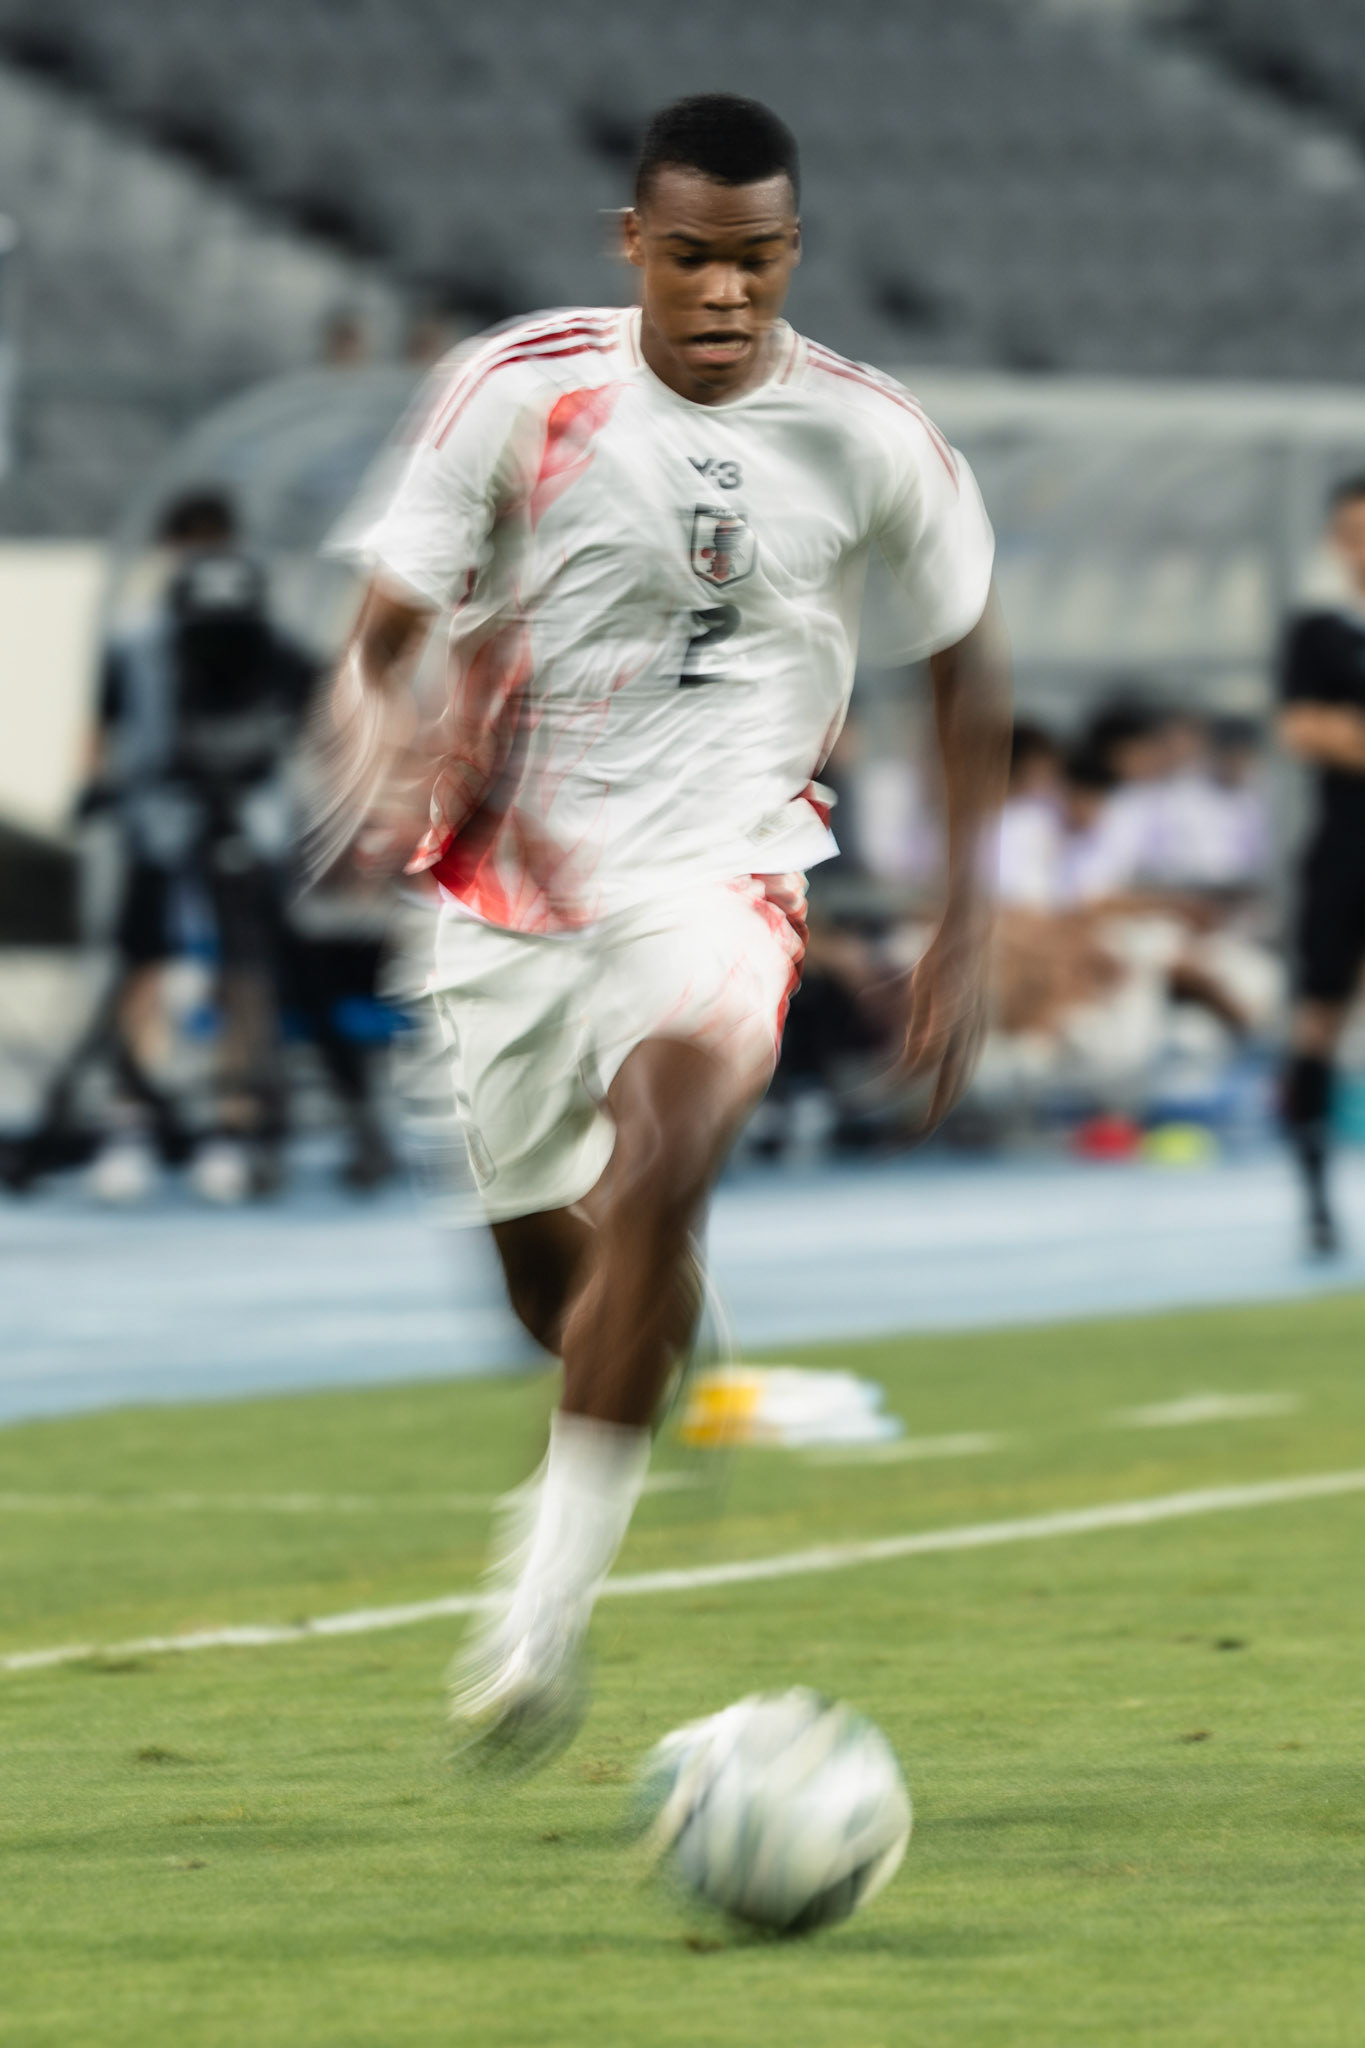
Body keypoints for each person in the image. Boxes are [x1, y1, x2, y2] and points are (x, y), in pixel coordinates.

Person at [323, 93, 1010, 1769]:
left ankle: (529, 1629)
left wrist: (965, 919)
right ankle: (643, 1309)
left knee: (669, 1151)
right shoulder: (519, 389)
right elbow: (386, 628)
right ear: (635, 243)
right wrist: (387, 730)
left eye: (757, 259)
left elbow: (967, 666)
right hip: (506, 882)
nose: (725, 293)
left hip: (723, 870)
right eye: (693, 256)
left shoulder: (871, 433)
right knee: (550, 1290)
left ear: (793, 253)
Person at [1278, 476, 1365, 1255]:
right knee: (1318, 1016)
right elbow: (1305, 730)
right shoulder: (1318, 633)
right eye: (1351, 533)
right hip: (1345, 851)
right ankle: (1314, 1199)